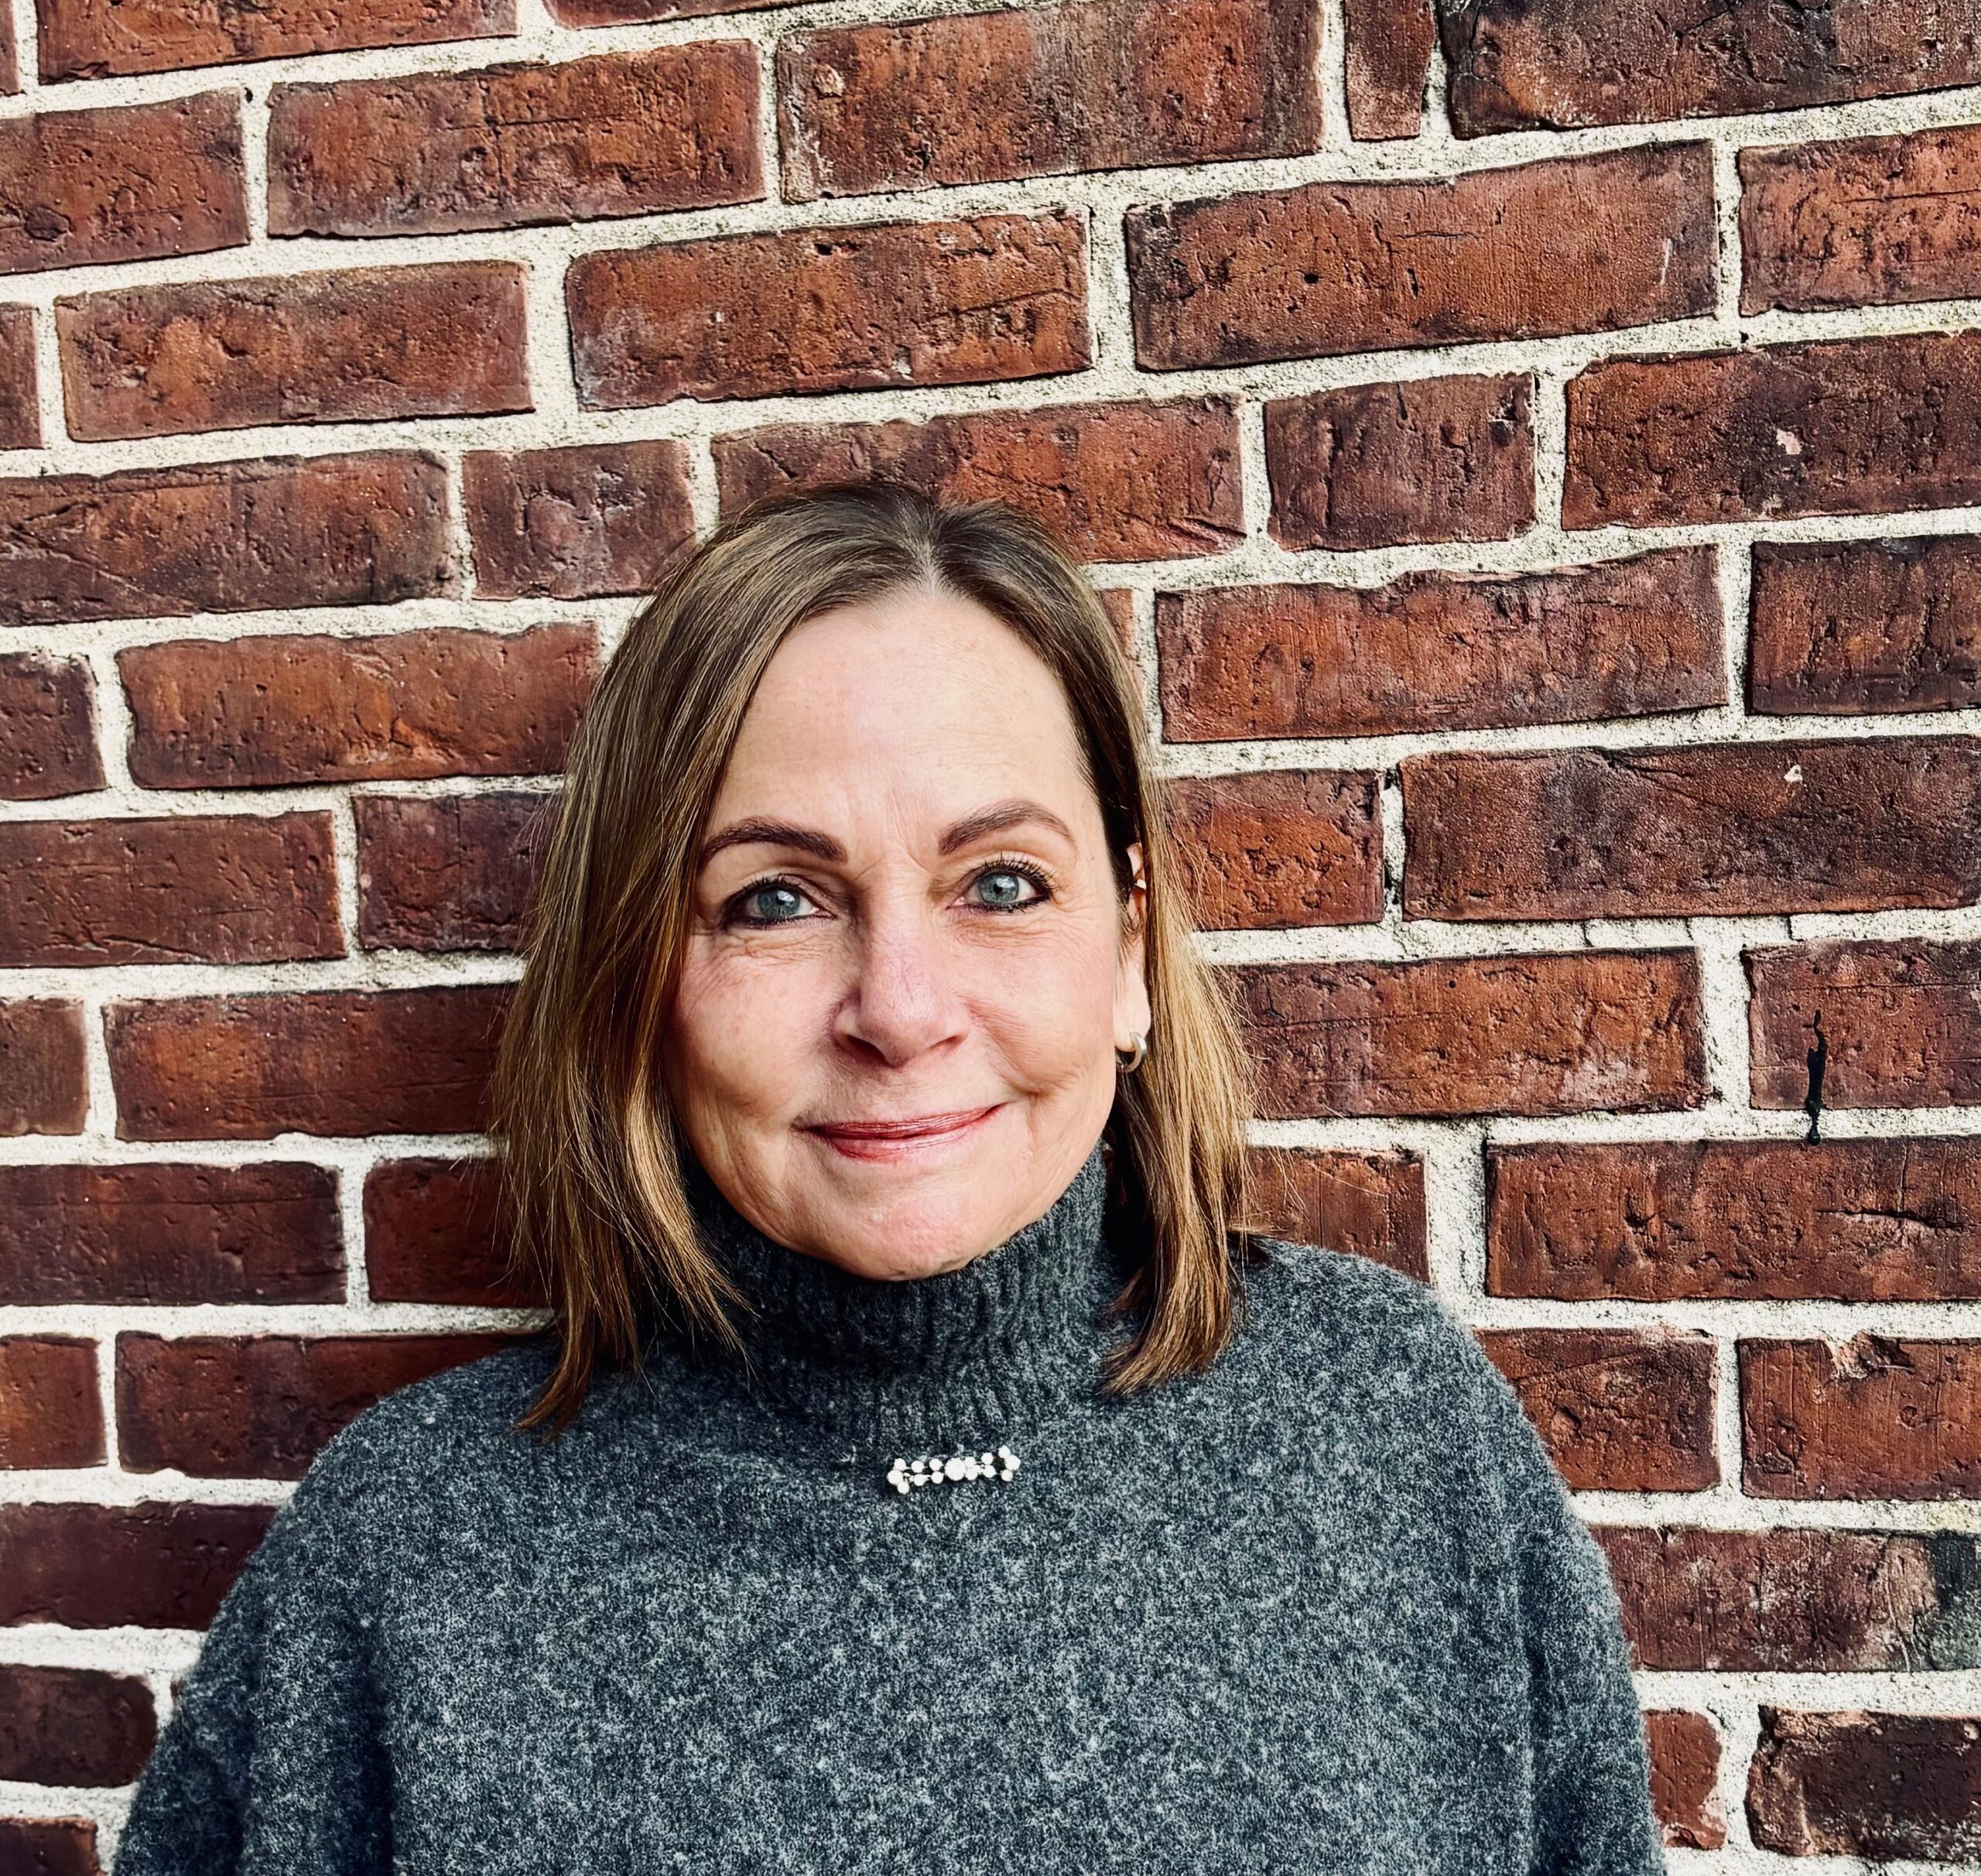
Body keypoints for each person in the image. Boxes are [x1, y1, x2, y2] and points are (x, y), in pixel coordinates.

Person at [115, 480, 1666, 1874]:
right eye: (775, 900)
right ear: (639, 984)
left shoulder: (1390, 1436)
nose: (900, 1010)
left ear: (1127, 952)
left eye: (1000, 884)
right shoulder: (409, 1554)